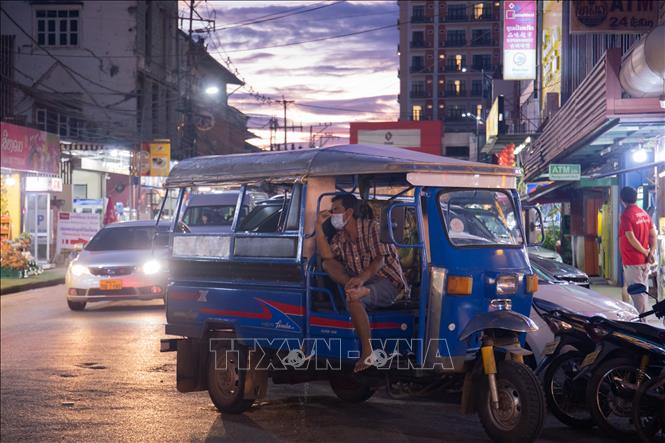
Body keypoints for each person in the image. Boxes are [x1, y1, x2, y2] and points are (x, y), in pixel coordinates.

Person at [316, 193, 408, 372]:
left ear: (349, 212)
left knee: (357, 293)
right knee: (331, 268)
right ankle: (358, 291)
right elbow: (327, 257)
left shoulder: (372, 228)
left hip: (387, 281)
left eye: (336, 210)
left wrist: (362, 280)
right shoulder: (339, 238)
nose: (332, 214)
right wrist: (318, 226)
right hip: (358, 282)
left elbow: (379, 261)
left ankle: (367, 352)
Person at [619, 186, 657, 315]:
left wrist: (647, 252)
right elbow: (653, 235)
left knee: (637, 294)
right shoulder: (644, 214)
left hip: (633, 260)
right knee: (642, 292)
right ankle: (644, 320)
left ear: (622, 199)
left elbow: (631, 238)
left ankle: (644, 324)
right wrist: (651, 252)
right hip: (644, 261)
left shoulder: (626, 215)